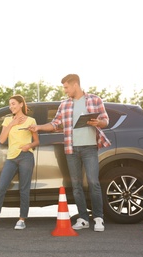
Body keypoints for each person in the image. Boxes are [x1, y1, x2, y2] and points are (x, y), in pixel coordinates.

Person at [29, 74, 111, 232]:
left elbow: (105, 120)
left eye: (66, 87)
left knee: (93, 182)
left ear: (75, 85)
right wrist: (38, 127)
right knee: (76, 185)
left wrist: (98, 122)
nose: (65, 90)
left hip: (90, 148)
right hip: (71, 149)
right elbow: (55, 124)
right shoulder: (64, 104)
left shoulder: (94, 100)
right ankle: (83, 219)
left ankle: (99, 218)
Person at [0, 94, 40, 230]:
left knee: (24, 189)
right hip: (11, 158)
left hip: (26, 157)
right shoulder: (7, 120)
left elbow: (36, 141)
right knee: (1, 187)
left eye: (13, 104)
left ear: (21, 104)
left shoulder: (31, 120)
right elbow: (1, 140)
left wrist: (28, 146)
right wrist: (12, 123)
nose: (11, 106)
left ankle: (22, 219)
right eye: (10, 104)